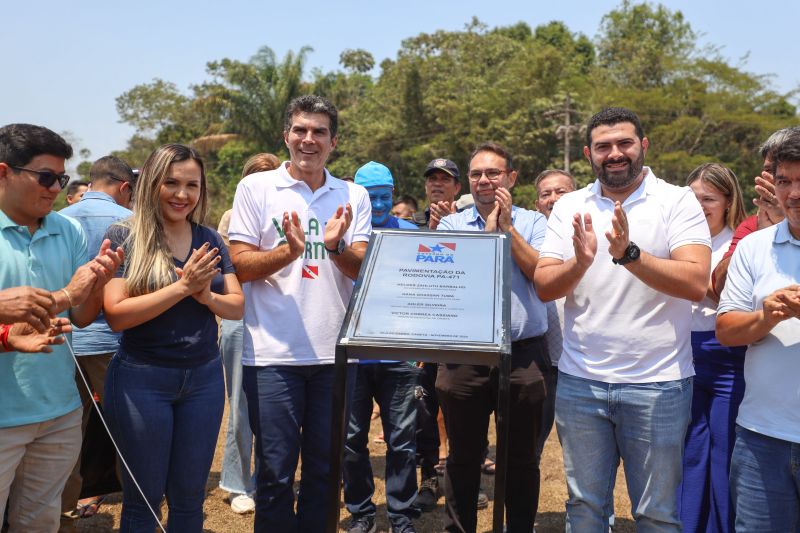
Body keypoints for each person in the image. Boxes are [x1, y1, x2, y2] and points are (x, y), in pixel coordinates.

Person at [534, 107, 711, 531]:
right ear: (588, 153)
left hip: (659, 384)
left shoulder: (677, 200)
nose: (615, 153)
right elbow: (545, 285)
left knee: (656, 514)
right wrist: (580, 263)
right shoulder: (570, 205)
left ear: (643, 146)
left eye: (624, 143)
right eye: (603, 146)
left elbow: (695, 282)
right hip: (581, 382)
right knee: (585, 507)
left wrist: (629, 255)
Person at [228, 95, 372, 532]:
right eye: (300, 130)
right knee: (275, 472)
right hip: (272, 355)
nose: (309, 139)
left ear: (334, 141)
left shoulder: (352, 194)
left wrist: (335, 246)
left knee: (326, 471)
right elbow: (239, 265)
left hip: (334, 354)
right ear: (286, 136)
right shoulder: (256, 188)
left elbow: (362, 268)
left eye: (319, 132)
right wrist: (287, 252)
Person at [102, 143, 244, 531]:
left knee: (189, 499)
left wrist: (206, 296)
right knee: (143, 501)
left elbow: (236, 306)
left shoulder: (211, 239)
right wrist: (182, 288)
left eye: (192, 185)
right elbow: (116, 315)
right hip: (141, 380)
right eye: (171, 183)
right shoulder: (125, 235)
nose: (182, 194)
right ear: (152, 183)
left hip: (204, 380)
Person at [0, 123, 123, 532]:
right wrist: (65, 295)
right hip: (3, 414)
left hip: (58, 410)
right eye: (45, 177)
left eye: (61, 179)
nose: (55, 188)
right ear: (4, 172)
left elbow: (82, 317)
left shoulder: (66, 229)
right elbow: (65, 299)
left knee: (40, 521)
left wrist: (98, 281)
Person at [436, 142, 550, 533]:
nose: (484, 180)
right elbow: (461, 282)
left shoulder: (534, 223)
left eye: (493, 173)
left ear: (511, 178)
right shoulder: (452, 226)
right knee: (463, 456)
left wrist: (507, 230)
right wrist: (488, 238)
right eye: (476, 174)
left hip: (523, 355)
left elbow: (539, 272)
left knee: (521, 459)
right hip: (465, 355)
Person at [716, 129, 800, 532]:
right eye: (784, 181)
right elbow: (726, 330)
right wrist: (765, 318)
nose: (793, 194)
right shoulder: (754, 246)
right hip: (761, 438)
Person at [58, 155, 137, 528]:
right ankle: (139, 504)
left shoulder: (59, 220)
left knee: (66, 431)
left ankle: (63, 511)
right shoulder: (132, 223)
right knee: (129, 428)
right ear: (124, 188)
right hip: (113, 340)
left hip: (65, 341)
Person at [344, 161, 419, 533]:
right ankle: (361, 512)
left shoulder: (411, 233)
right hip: (352, 355)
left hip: (399, 355)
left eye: (383, 196)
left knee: (402, 441)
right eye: (369, 197)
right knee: (351, 440)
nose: (377, 204)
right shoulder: (342, 234)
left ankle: (401, 514)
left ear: (393, 193)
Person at [678, 163, 746, 532]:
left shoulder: (742, 243)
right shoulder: (675, 239)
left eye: (709, 199)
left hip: (728, 357)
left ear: (728, 201)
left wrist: (688, 277)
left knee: (725, 451)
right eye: (693, 198)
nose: (700, 206)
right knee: (688, 451)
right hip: (682, 352)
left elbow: (728, 297)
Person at [217, 152, 280, 515]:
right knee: (240, 404)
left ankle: (267, 477)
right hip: (241, 317)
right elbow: (233, 269)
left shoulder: (290, 211)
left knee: (274, 409)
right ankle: (238, 482)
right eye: (256, 177)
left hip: (279, 317)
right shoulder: (232, 216)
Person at [712, 127, 799, 298]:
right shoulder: (752, 228)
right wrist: (764, 235)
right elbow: (720, 286)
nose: (772, 178)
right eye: (770, 171)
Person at [532, 169, 576, 460]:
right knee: (530, 444)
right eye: (546, 194)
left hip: (579, 362)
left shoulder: (593, 236)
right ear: (537, 204)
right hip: (539, 360)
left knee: (579, 448)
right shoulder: (529, 239)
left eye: (561, 191)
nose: (553, 198)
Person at [412, 158, 461, 229]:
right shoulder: (410, 226)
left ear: (456, 188)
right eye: (432, 179)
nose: (437, 184)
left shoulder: (467, 223)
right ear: (426, 187)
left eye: (445, 179)